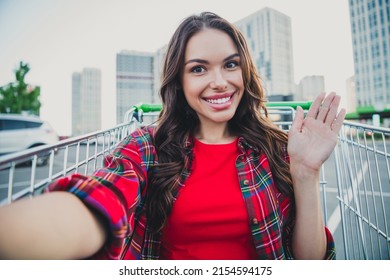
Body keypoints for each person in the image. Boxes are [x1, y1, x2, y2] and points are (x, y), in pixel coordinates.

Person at [0, 11, 346, 260]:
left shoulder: (273, 148)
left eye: (230, 64)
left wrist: (306, 172)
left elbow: (310, 262)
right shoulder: (147, 146)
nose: (220, 81)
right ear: (178, 83)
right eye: (198, 69)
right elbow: (104, 200)